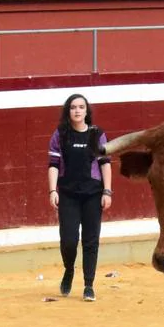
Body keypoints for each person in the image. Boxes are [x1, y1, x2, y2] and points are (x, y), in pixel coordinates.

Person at [47, 93, 111, 300]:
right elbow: (53, 165)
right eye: (73, 107)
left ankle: (88, 285)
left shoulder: (97, 134)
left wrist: (107, 191)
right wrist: (53, 190)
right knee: (69, 240)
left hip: (93, 194)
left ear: (86, 111)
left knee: (91, 241)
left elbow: (105, 164)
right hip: (68, 195)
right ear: (68, 111)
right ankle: (69, 269)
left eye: (81, 107)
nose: (77, 110)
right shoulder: (61, 134)